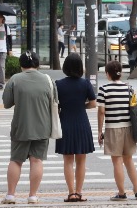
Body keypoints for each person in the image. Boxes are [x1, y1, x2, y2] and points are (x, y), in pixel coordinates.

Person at [1, 51, 54, 204]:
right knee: (36, 161)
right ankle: (32, 196)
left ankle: (10, 195)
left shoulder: (15, 79)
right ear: (37, 64)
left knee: (16, 160)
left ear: (21, 64)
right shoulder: (48, 79)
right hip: (43, 127)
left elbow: (6, 103)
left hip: (21, 126)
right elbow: (54, 103)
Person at [97, 61, 137, 201]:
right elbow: (135, 109)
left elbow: (101, 112)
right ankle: (136, 188)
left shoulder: (104, 89)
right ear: (120, 73)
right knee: (129, 160)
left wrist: (100, 131)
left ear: (107, 74)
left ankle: (122, 193)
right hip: (128, 128)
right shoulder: (129, 88)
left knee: (117, 161)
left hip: (112, 129)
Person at [55, 53, 97, 202]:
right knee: (81, 161)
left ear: (65, 67)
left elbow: (55, 105)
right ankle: (79, 193)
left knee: (68, 161)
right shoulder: (85, 84)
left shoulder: (58, 84)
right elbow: (93, 103)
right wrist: (81, 106)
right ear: (80, 67)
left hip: (65, 122)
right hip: (81, 123)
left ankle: (71, 192)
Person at [0, 13, 13, 90]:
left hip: (3, 50)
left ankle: (1, 83)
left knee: (1, 66)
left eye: (0, 17)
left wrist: (10, 49)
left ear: (2, 19)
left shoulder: (6, 27)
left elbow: (9, 39)